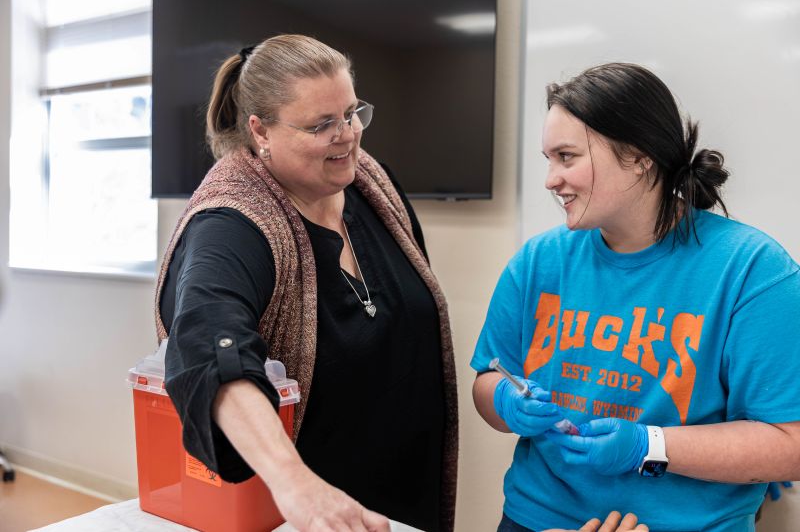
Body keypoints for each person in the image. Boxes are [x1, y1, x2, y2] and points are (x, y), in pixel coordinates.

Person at [471, 62, 800, 531]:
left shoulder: (752, 270)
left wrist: (650, 446)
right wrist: (505, 400)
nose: (550, 179)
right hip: (537, 520)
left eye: (567, 157)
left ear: (639, 156)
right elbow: (489, 378)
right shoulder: (538, 261)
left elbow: (791, 444)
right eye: (548, 159)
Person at [154, 35, 458, 532]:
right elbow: (210, 347)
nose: (348, 135)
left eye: (352, 112)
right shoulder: (232, 222)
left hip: (407, 500)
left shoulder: (370, 184)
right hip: (306, 513)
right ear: (260, 131)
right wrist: (296, 484)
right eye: (321, 125)